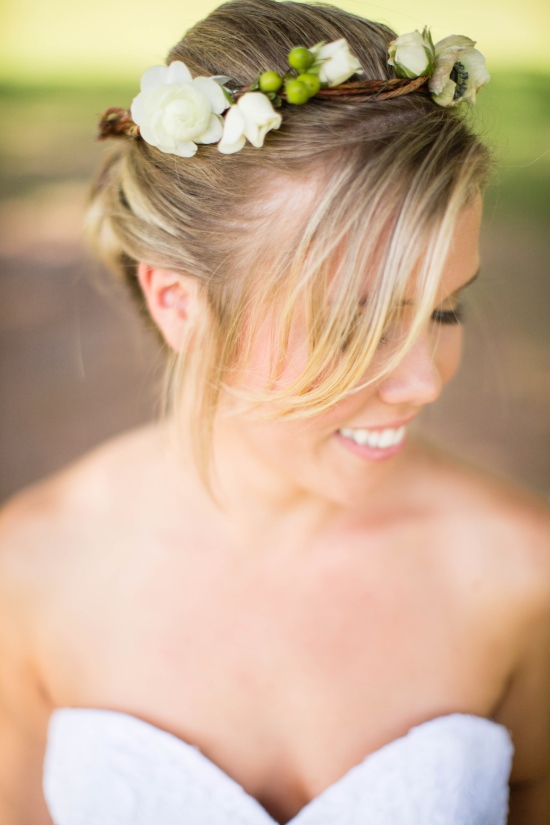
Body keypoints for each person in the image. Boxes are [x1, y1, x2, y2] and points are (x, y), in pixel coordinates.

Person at [1, 0, 549, 822]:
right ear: (178, 302)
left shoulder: (523, 575)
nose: (424, 382)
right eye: (355, 323)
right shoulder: (29, 574)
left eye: (444, 310)